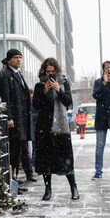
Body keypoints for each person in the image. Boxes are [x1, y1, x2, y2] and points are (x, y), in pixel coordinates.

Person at [33, 58, 79, 201]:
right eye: (48, 72)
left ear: (57, 71)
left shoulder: (64, 83)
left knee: (66, 159)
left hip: (61, 128)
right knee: (46, 160)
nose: (50, 75)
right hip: (44, 128)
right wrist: (45, 90)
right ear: (43, 71)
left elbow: (69, 103)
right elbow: (36, 105)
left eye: (53, 72)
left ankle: (73, 187)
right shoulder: (39, 85)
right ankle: (48, 189)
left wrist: (58, 90)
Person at [3, 49, 35, 185]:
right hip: (15, 118)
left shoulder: (19, 74)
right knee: (15, 149)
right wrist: (9, 117)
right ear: (9, 59)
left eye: (20, 57)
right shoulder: (6, 74)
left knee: (24, 147)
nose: (18, 60)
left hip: (23, 117)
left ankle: (29, 173)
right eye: (15, 57)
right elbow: (6, 98)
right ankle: (13, 177)